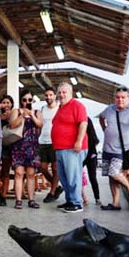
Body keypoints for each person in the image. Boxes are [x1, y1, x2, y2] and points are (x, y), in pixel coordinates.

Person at [51, 82, 88, 213]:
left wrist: (78, 141)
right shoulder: (61, 107)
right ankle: (70, 200)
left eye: (64, 92)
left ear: (71, 93)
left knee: (73, 176)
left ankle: (77, 203)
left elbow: (83, 124)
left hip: (72, 148)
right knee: (63, 176)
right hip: (60, 148)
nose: (61, 95)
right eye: (59, 92)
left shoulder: (77, 105)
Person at [9, 91, 43, 209]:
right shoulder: (16, 111)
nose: (27, 102)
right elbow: (12, 125)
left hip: (32, 147)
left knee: (31, 174)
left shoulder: (37, 112)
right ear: (21, 101)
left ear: (32, 101)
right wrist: (22, 116)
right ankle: (18, 200)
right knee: (18, 173)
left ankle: (31, 199)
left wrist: (32, 115)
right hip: (18, 146)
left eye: (29, 100)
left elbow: (40, 125)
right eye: (24, 100)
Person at [37, 87, 64, 203]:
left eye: (50, 95)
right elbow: (40, 125)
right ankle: (57, 187)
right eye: (46, 95)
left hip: (55, 141)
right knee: (42, 168)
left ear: (55, 96)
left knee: (55, 168)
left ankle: (52, 192)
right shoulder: (42, 109)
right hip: (43, 141)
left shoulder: (60, 108)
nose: (48, 97)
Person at [0, 95, 14, 206]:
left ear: (12, 104)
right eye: (3, 102)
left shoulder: (14, 114)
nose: (6, 104)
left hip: (8, 146)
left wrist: (8, 117)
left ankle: (3, 195)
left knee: (6, 172)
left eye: (8, 102)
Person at [83, 117, 101, 205]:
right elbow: (96, 141)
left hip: (87, 154)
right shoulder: (87, 121)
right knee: (92, 177)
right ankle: (95, 198)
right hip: (90, 154)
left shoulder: (85, 122)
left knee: (90, 177)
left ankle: (87, 198)